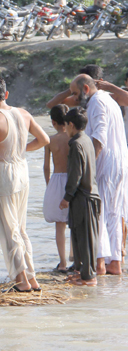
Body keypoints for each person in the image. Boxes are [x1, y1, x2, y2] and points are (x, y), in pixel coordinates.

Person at [0, 76, 49, 292]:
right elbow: (45, 140)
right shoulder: (24, 113)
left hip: (4, 174)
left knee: (9, 230)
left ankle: (22, 281)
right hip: (22, 171)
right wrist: (21, 150)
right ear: (6, 94)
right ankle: (32, 277)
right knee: (21, 227)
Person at [63, 74, 128, 275]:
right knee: (113, 213)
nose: (74, 98)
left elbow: (98, 137)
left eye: (75, 93)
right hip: (118, 162)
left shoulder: (98, 102)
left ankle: (99, 264)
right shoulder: (109, 99)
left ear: (86, 89)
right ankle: (115, 262)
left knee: (97, 213)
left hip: (105, 163)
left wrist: (86, 168)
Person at [57, 107, 101, 285]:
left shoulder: (76, 144)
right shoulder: (86, 139)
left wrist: (66, 197)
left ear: (71, 125)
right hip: (89, 195)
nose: (65, 129)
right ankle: (83, 273)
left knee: (85, 237)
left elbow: (75, 174)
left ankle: (89, 277)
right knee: (80, 235)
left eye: (66, 125)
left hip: (84, 197)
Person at [43, 104, 71, 271]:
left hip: (56, 179)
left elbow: (46, 167)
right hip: (72, 180)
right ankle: (75, 258)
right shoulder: (73, 138)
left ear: (53, 122)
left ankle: (62, 262)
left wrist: (49, 186)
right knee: (74, 223)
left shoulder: (50, 140)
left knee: (59, 225)